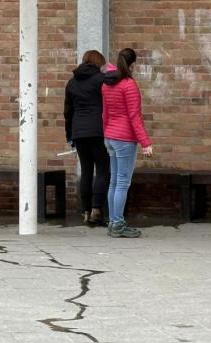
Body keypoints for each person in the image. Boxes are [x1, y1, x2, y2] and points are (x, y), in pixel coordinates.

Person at [102, 48, 153, 238]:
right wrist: (145, 143)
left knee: (114, 181)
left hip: (110, 137)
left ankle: (113, 222)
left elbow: (105, 114)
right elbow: (134, 117)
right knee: (122, 183)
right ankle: (118, 224)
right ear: (133, 64)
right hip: (124, 139)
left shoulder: (107, 84)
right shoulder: (129, 85)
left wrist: (106, 134)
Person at [64, 50, 112, 226]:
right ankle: (96, 210)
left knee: (85, 171)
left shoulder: (71, 83)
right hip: (98, 130)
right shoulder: (101, 80)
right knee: (102, 170)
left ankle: (85, 211)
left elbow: (68, 112)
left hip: (78, 131)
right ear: (98, 63)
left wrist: (69, 136)